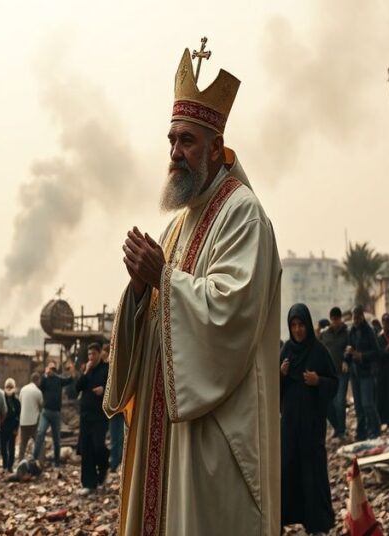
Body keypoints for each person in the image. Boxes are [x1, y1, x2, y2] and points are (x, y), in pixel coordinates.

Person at [105, 46, 281, 535]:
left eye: (186, 141)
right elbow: (160, 309)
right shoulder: (178, 226)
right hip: (165, 434)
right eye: (171, 141)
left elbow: (232, 315)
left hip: (212, 437)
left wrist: (163, 277)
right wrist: (140, 292)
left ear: (215, 143)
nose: (174, 153)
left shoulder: (243, 214)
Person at [279, 304, 337, 536]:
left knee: (313, 471)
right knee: (288, 469)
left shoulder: (319, 351)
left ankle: (318, 523)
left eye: (301, 324)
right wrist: (281, 375)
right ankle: (285, 519)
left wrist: (318, 381)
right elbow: (274, 392)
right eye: (294, 325)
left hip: (312, 426)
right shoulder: (286, 353)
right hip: (290, 425)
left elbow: (334, 383)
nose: (298, 330)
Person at [75, 342, 110, 495]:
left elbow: (113, 388)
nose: (91, 357)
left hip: (99, 416)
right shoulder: (86, 370)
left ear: (100, 354)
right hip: (85, 416)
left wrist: (104, 390)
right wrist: (85, 372)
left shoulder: (106, 369)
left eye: (93, 354)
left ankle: (104, 467)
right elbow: (76, 388)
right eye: (89, 354)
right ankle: (89, 484)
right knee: (86, 449)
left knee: (98, 446)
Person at [347, 305, 381, 441]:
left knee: (368, 403)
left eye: (357, 317)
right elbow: (349, 348)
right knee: (358, 406)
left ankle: (375, 430)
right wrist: (347, 356)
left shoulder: (369, 332)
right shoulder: (351, 332)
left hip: (366, 372)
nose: (355, 320)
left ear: (362, 317)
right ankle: (361, 433)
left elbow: (377, 352)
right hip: (355, 374)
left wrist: (362, 356)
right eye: (354, 317)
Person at [32, 359, 74, 466]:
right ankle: (33, 459)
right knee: (40, 434)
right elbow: (39, 386)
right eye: (50, 368)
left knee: (56, 439)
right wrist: (45, 375)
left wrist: (72, 371)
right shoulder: (44, 380)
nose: (51, 370)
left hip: (56, 413)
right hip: (46, 412)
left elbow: (70, 380)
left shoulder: (58, 379)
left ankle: (56, 463)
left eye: (53, 368)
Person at [319, 307, 350, 440]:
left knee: (340, 402)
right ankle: (337, 427)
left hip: (341, 373)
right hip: (328, 373)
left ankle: (342, 430)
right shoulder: (325, 334)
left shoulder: (347, 333)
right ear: (331, 319)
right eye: (333, 320)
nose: (335, 322)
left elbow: (350, 348)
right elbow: (318, 348)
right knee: (328, 403)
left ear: (340, 319)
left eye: (337, 320)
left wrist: (346, 360)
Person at [101, 343, 124, 471]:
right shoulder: (107, 369)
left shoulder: (114, 369)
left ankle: (116, 462)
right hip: (112, 409)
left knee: (117, 437)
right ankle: (114, 462)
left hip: (117, 409)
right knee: (115, 437)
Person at [17, 372, 43, 461]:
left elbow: (20, 402)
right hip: (34, 422)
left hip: (23, 421)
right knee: (39, 443)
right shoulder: (38, 392)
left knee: (23, 444)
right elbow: (41, 406)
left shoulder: (23, 389)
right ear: (37, 380)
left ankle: (20, 461)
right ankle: (40, 462)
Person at [0, 378, 21, 473]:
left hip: (12, 427)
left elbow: (18, 416)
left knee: (11, 447)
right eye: (7, 387)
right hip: (3, 427)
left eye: (11, 387)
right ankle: (5, 465)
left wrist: (16, 428)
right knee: (3, 447)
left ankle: (10, 466)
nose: (9, 389)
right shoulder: (1, 400)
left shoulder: (16, 402)